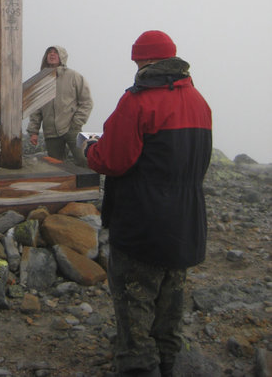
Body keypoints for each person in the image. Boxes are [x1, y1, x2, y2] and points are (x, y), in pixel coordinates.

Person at [84, 30, 212, 377]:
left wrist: (88, 151)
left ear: (144, 60)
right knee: (169, 311)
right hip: (185, 224)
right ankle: (169, 365)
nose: (136, 65)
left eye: (138, 59)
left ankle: (139, 368)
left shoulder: (138, 101)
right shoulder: (199, 102)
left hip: (143, 225)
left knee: (135, 314)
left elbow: (113, 160)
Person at [27, 45, 93, 166]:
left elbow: (87, 102)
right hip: (50, 131)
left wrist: (76, 123)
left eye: (55, 52)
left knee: (85, 160)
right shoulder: (41, 80)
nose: (52, 54)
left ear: (62, 57)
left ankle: (92, 185)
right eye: (49, 52)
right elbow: (35, 108)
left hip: (73, 129)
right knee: (56, 166)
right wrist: (34, 131)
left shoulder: (74, 76)